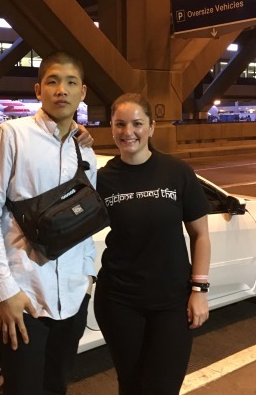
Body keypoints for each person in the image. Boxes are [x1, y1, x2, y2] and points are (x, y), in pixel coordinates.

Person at [0, 50, 97, 395]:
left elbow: (85, 221)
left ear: (83, 92)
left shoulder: (84, 150)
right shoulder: (11, 135)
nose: (62, 90)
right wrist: (4, 292)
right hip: (22, 296)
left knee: (57, 387)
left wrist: (87, 277)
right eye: (53, 81)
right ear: (39, 90)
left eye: (71, 82)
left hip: (72, 296)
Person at [94, 93, 212, 395]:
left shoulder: (177, 172)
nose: (128, 132)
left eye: (137, 123)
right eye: (120, 124)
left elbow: (201, 235)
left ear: (152, 127)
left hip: (172, 302)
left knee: (162, 387)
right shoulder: (101, 179)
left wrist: (199, 291)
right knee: (130, 385)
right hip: (118, 300)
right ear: (111, 127)